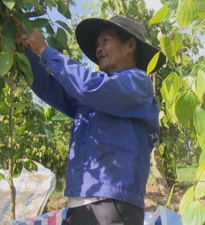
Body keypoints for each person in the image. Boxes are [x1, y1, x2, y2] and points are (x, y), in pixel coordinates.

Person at [11, 15, 166, 225]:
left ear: (130, 45)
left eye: (105, 41)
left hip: (112, 204)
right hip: (81, 201)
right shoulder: (95, 95)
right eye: (97, 44)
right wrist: (26, 51)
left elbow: (87, 86)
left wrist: (45, 51)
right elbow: (48, 87)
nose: (99, 48)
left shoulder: (137, 83)